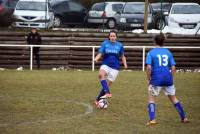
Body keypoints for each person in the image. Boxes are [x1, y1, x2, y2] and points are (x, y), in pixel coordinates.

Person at [145, 33, 189, 125]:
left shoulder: (151, 52)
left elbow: (149, 68)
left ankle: (152, 119)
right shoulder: (168, 52)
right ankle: (184, 117)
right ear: (163, 42)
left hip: (156, 80)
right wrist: (170, 77)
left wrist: (148, 79)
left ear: (154, 42)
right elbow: (173, 68)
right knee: (174, 99)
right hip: (168, 79)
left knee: (152, 99)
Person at [94, 30, 127, 108]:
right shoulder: (105, 44)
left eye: (114, 36)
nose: (112, 37)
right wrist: (96, 58)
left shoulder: (120, 45)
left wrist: (125, 64)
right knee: (101, 75)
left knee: (107, 85)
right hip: (106, 64)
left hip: (115, 67)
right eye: (111, 36)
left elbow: (122, 56)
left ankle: (97, 99)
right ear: (109, 37)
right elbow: (100, 53)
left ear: (116, 37)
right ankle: (107, 92)